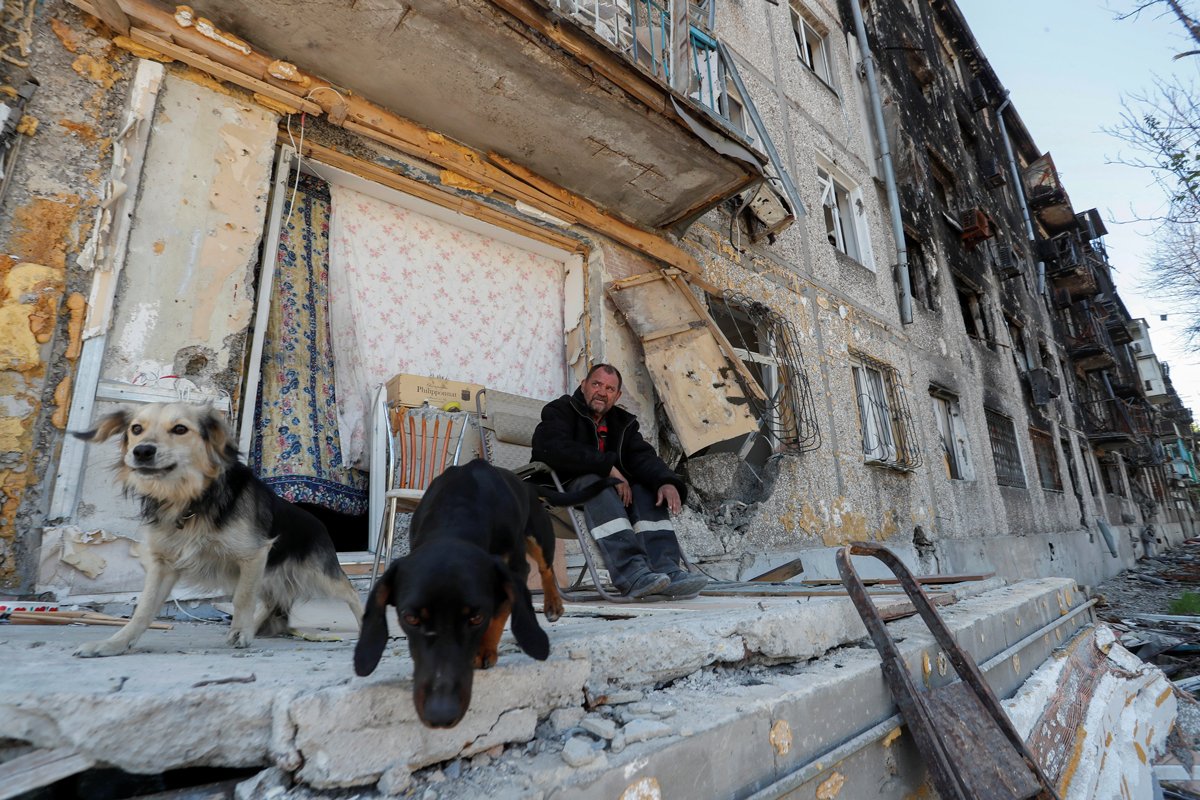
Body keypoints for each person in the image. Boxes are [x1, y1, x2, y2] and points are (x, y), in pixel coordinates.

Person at [531, 364, 709, 599]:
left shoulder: (622, 422)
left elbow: (642, 456)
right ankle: (632, 574)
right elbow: (551, 449)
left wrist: (666, 481)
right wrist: (607, 469)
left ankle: (666, 570)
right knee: (598, 484)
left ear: (617, 396)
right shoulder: (560, 410)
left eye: (609, 388)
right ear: (583, 385)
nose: (602, 392)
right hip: (561, 492)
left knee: (647, 491)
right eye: (596, 384)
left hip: (607, 495)